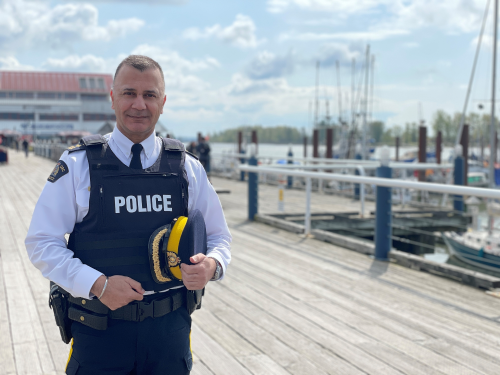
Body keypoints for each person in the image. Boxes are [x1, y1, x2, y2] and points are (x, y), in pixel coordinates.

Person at [25, 55, 231, 375]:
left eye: (149, 95)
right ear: (112, 98)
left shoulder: (186, 168)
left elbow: (219, 236)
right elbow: (42, 242)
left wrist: (212, 265)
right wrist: (98, 284)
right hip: (99, 331)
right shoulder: (79, 166)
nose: (139, 104)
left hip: (170, 332)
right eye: (128, 93)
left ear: (162, 102)